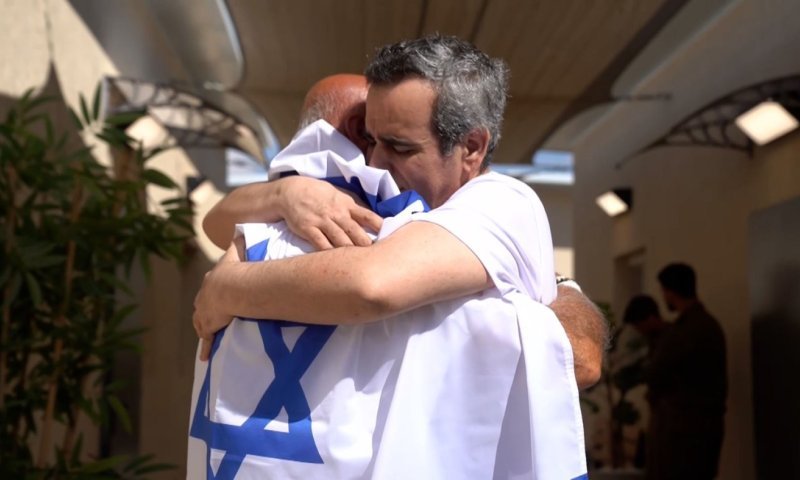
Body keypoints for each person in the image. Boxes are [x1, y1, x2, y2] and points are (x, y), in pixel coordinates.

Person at [194, 35, 601, 479]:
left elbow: (371, 285)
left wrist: (225, 288)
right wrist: (284, 193)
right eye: (369, 140)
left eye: (401, 148)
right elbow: (217, 223)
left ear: (471, 147)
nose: (374, 162)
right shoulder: (366, 210)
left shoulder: (502, 201)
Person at [646, 263, 727, 480]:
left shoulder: (684, 331)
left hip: (681, 435)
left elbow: (656, 373)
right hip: (705, 431)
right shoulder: (709, 324)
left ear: (670, 292)